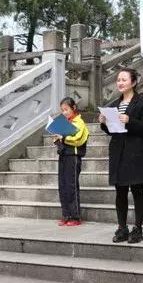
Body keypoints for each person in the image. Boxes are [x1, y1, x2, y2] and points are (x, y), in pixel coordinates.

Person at [98, 68, 143, 243]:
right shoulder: (114, 105)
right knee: (120, 192)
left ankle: (138, 228)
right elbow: (112, 131)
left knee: (137, 190)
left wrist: (130, 121)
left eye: (123, 79)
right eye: (118, 80)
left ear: (134, 82)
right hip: (118, 152)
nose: (120, 83)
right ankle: (122, 228)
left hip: (135, 152)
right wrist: (104, 123)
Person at [53, 97, 89, 227]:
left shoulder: (79, 122)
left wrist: (64, 137)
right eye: (62, 110)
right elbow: (62, 139)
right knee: (62, 185)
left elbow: (78, 139)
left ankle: (75, 216)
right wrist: (57, 138)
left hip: (73, 156)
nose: (64, 112)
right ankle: (66, 215)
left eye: (66, 109)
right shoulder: (65, 122)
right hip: (63, 155)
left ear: (73, 108)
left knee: (71, 185)